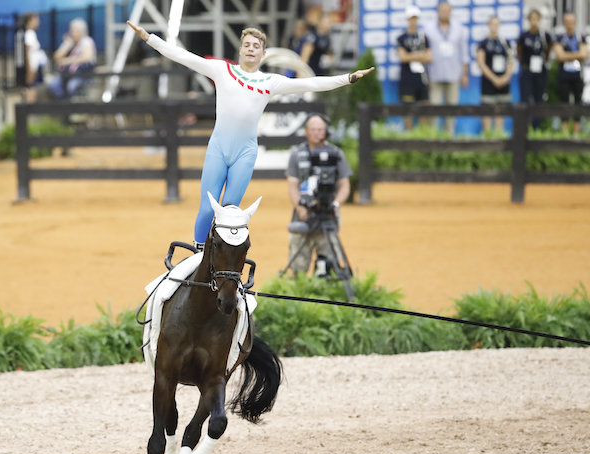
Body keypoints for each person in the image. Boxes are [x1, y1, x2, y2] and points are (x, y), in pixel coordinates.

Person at [127, 20, 373, 250]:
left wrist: (348, 78)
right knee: (206, 209)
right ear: (240, 50)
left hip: (245, 153)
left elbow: (312, 83)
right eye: (247, 45)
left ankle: (219, 256)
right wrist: (149, 38)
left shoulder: (270, 82)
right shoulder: (221, 70)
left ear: (263, 54)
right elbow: (183, 56)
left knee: (230, 210)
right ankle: (200, 253)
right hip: (218, 149)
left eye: (256, 46)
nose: (251, 49)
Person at [285, 114, 351, 278]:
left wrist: (335, 204)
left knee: (328, 265)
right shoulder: (296, 154)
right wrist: (301, 209)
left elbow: (345, 185)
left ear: (326, 131)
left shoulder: (335, 154)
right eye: (313, 129)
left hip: (328, 217)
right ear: (306, 132)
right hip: (302, 217)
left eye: (320, 129)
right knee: (297, 268)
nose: (316, 133)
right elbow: (292, 186)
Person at [423, 1, 470, 134]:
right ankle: (433, 139)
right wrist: (425, 74)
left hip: (454, 74)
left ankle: (449, 139)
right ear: (438, 11)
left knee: (452, 109)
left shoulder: (459, 28)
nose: (444, 12)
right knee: (434, 109)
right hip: (434, 74)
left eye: (447, 10)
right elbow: (424, 51)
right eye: (442, 10)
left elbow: (464, 53)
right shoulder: (428, 28)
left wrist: (465, 74)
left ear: (451, 12)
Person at [477, 16, 515, 133]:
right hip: (489, 80)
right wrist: (494, 79)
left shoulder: (505, 42)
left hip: (503, 81)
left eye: (497, 24)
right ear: (489, 25)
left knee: (501, 110)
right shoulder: (483, 43)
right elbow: (481, 63)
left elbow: (511, 60)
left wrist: (506, 77)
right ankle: (487, 136)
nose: (495, 26)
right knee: (487, 109)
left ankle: (499, 135)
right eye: (492, 24)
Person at [396, 5, 431, 130]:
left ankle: (423, 136)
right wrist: (420, 55)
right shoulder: (402, 38)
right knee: (408, 110)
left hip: (422, 78)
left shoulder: (423, 37)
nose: (413, 21)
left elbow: (429, 57)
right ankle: (409, 137)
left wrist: (411, 55)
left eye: (415, 18)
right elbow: (402, 58)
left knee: (424, 108)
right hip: (407, 79)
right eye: (411, 18)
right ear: (407, 19)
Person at [553, 13, 588, 135]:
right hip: (564, 76)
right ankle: (565, 132)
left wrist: (567, 56)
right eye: (567, 21)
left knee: (578, 102)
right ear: (564, 22)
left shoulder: (580, 37)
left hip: (577, 75)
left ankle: (577, 133)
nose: (569, 24)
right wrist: (576, 55)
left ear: (575, 22)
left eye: (572, 21)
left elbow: (584, 54)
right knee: (564, 102)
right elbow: (559, 56)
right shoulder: (559, 38)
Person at [518, 9, 552, 129]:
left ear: (539, 20)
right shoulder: (524, 36)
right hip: (527, 70)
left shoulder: (544, 36)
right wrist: (524, 64)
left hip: (540, 70)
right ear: (528, 20)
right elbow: (519, 52)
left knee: (539, 99)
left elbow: (548, 51)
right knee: (525, 98)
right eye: (532, 19)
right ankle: (524, 128)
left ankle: (537, 127)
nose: (534, 22)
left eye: (536, 19)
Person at [49, 18, 97, 99]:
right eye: (71, 31)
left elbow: (87, 57)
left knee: (71, 86)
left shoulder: (86, 41)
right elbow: (56, 57)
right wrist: (66, 44)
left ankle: (72, 107)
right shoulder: (70, 42)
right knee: (53, 85)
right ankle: (64, 105)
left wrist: (67, 61)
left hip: (82, 75)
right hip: (66, 74)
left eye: (75, 31)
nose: (72, 33)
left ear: (82, 31)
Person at [22, 13, 47, 103]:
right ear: (29, 22)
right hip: (32, 66)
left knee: (34, 87)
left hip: (35, 66)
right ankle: (29, 106)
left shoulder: (32, 33)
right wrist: (30, 69)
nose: (38, 22)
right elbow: (27, 52)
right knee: (31, 86)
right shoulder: (29, 34)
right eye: (35, 20)